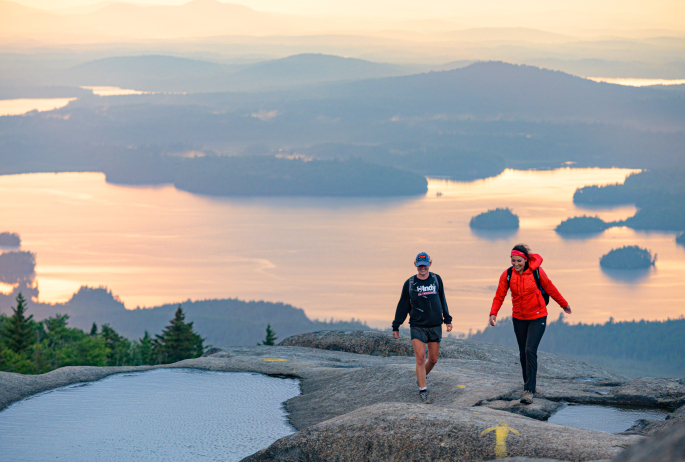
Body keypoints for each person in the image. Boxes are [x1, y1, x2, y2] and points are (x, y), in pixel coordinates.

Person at [489, 244, 572, 405]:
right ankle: (527, 383)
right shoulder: (507, 275)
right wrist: (493, 313)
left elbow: (550, 288)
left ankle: (529, 390)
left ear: (525, 259)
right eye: (513, 261)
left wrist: (564, 304)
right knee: (522, 353)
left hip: (537, 316)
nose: (516, 264)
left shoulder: (537, 272)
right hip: (519, 318)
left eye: (519, 260)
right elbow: (499, 295)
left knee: (530, 350)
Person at [392, 252, 453, 404]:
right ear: (416, 266)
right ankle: (423, 390)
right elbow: (403, 305)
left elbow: (442, 300)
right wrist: (396, 325)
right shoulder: (410, 283)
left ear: (429, 264)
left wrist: (447, 319)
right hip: (417, 325)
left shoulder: (436, 279)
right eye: (420, 265)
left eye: (425, 265)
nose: (422, 268)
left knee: (433, 359)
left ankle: (421, 377)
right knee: (420, 358)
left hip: (434, 325)